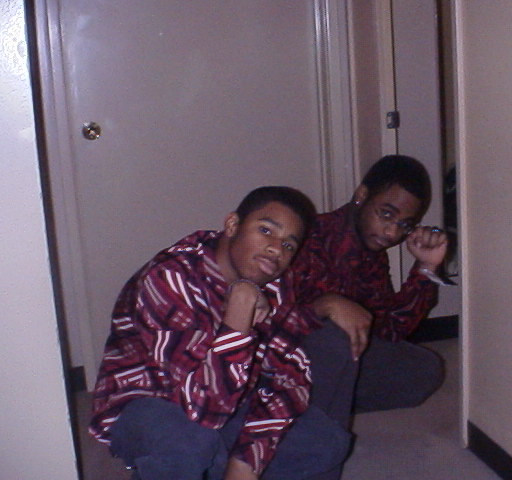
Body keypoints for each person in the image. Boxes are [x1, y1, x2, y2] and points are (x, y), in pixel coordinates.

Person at [89, 186, 350, 480]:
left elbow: (290, 375)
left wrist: (246, 463)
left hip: (229, 396)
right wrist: (238, 316)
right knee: (191, 444)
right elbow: (204, 408)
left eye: (289, 245)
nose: (276, 249)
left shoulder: (274, 283)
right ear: (233, 225)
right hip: (148, 400)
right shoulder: (169, 277)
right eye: (265, 230)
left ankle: (214, 466)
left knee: (327, 443)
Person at [288, 155, 448, 479]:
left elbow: (390, 331)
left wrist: (425, 268)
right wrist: (325, 306)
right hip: (281, 360)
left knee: (424, 370)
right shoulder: (308, 236)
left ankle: (312, 407)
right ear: (361, 195)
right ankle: (312, 441)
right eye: (386, 214)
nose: (392, 232)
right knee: (334, 337)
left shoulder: (372, 254)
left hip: (330, 365)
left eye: (404, 224)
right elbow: (270, 321)